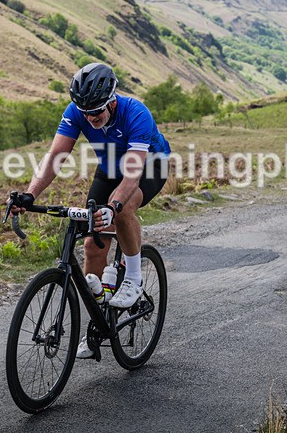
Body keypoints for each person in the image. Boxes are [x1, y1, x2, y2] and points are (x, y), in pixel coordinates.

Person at [9, 62, 170, 358]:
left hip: (148, 166)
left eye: (97, 111)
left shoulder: (136, 113)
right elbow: (56, 156)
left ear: (111, 101)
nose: (91, 117)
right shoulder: (77, 113)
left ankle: (133, 278)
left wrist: (113, 206)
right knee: (92, 244)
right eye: (85, 112)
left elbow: (132, 175)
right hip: (109, 168)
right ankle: (97, 323)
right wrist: (30, 194)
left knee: (121, 211)